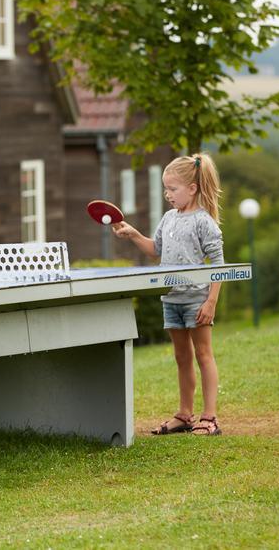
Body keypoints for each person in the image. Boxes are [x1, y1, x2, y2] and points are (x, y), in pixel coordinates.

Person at [112, 153, 224, 437]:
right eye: (166, 189)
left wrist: (211, 302)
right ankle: (185, 415)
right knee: (182, 357)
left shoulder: (204, 221)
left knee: (203, 355)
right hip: (171, 299)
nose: (168, 194)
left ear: (192, 189)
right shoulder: (168, 218)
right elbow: (156, 250)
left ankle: (209, 418)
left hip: (196, 301)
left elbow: (219, 266)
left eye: (173, 189)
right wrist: (134, 235)